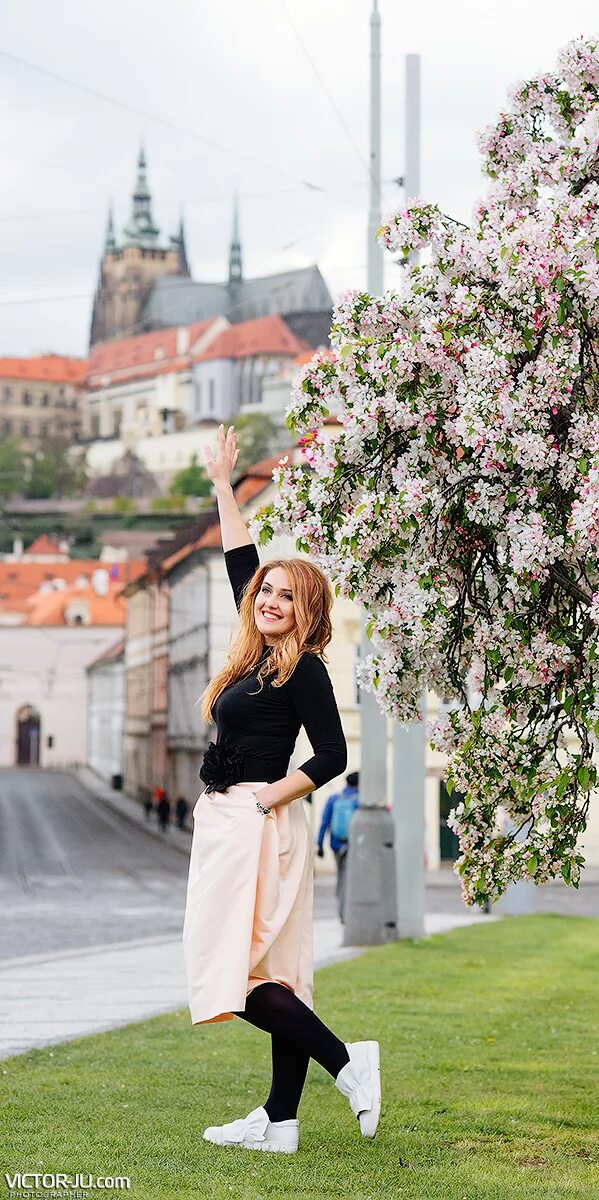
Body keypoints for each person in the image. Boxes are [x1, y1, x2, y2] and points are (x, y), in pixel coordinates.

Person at [182, 423, 381, 1156]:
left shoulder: (304, 670)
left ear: (308, 611)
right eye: (265, 592)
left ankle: (346, 1062)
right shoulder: (254, 650)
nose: (268, 600)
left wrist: (268, 800)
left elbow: (331, 755)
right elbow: (242, 557)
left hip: (259, 819)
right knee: (274, 974)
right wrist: (223, 487)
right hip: (237, 818)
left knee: (234, 971)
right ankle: (279, 1121)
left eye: (285, 596)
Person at [317, 771, 360, 923]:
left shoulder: (334, 799)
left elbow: (324, 823)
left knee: (341, 877)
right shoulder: (359, 801)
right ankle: (346, 914)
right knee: (349, 878)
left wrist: (319, 844)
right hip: (353, 846)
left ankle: (341, 910)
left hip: (335, 845)